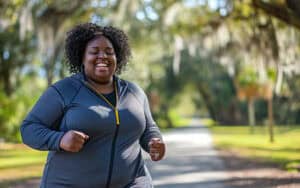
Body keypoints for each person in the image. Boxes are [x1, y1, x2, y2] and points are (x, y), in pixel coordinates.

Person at [20, 22, 166, 188]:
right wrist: (60, 139)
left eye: (109, 52)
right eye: (94, 52)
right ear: (82, 57)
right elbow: (29, 129)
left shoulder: (134, 92)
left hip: (133, 183)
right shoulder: (64, 90)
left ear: (117, 58)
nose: (103, 56)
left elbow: (149, 128)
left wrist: (155, 143)